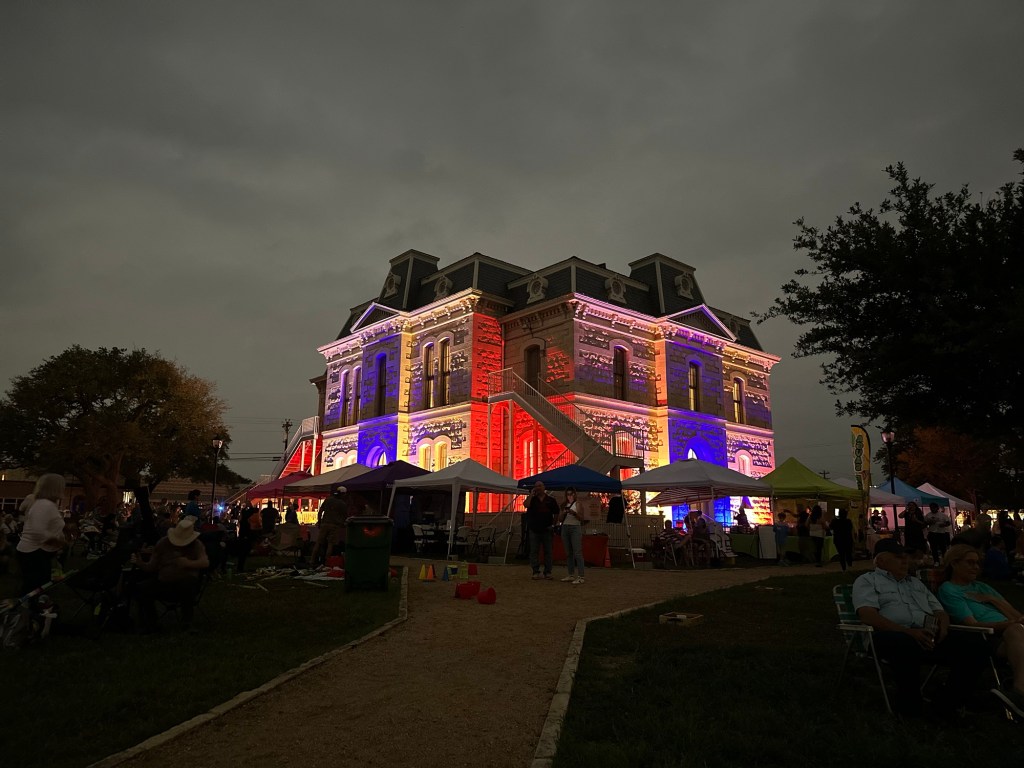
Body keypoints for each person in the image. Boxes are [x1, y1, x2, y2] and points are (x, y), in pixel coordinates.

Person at [851, 538, 987, 717]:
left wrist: (942, 629)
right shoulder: (867, 581)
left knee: (976, 644)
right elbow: (868, 615)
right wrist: (909, 632)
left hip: (925, 635)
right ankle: (909, 707)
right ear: (881, 561)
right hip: (889, 636)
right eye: (898, 557)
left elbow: (939, 611)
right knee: (904, 643)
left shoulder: (915, 583)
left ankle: (948, 702)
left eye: (906, 556)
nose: (905, 560)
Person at [936, 544, 1024, 718]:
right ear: (954, 564)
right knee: (1015, 629)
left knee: (1016, 629)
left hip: (1015, 632)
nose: (975, 567)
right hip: (989, 638)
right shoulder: (949, 589)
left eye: (977, 563)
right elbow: (971, 625)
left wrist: (992, 599)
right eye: (970, 563)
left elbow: (1017, 615)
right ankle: (1020, 694)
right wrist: (1008, 624)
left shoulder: (981, 587)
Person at [132, 518, 210, 632]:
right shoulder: (163, 543)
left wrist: (188, 563)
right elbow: (151, 566)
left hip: (186, 585)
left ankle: (187, 622)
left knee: (188, 582)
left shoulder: (196, 545)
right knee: (141, 588)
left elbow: (205, 562)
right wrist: (140, 563)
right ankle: (151, 622)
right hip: (164, 583)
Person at [15, 474, 66, 597]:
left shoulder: (46, 504)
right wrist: (56, 541)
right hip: (33, 552)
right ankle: (26, 612)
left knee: (37, 585)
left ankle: (33, 610)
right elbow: (37, 530)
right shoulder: (44, 505)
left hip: (36, 551)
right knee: (34, 586)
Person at [524, 481, 558, 580]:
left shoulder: (551, 500)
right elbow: (526, 505)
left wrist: (553, 525)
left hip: (547, 529)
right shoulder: (532, 500)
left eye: (539, 486)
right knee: (534, 551)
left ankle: (548, 572)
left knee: (548, 551)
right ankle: (536, 571)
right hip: (534, 529)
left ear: (544, 487)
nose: (538, 488)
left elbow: (556, 512)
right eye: (536, 486)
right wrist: (531, 495)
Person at [313, 488, 348, 566]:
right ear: (343, 494)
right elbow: (345, 516)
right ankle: (326, 563)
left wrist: (319, 522)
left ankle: (312, 560)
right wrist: (342, 524)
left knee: (318, 543)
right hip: (334, 525)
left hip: (324, 523)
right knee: (330, 544)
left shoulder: (328, 500)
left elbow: (320, 511)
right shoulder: (342, 504)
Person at [558, 487, 586, 584]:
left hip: (575, 527)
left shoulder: (578, 504)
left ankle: (581, 576)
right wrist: (564, 513)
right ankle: (570, 574)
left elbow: (582, 518)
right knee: (568, 553)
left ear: (575, 494)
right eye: (568, 494)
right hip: (565, 527)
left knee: (577, 552)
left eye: (572, 494)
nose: (570, 496)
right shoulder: (564, 505)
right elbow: (560, 519)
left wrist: (574, 513)